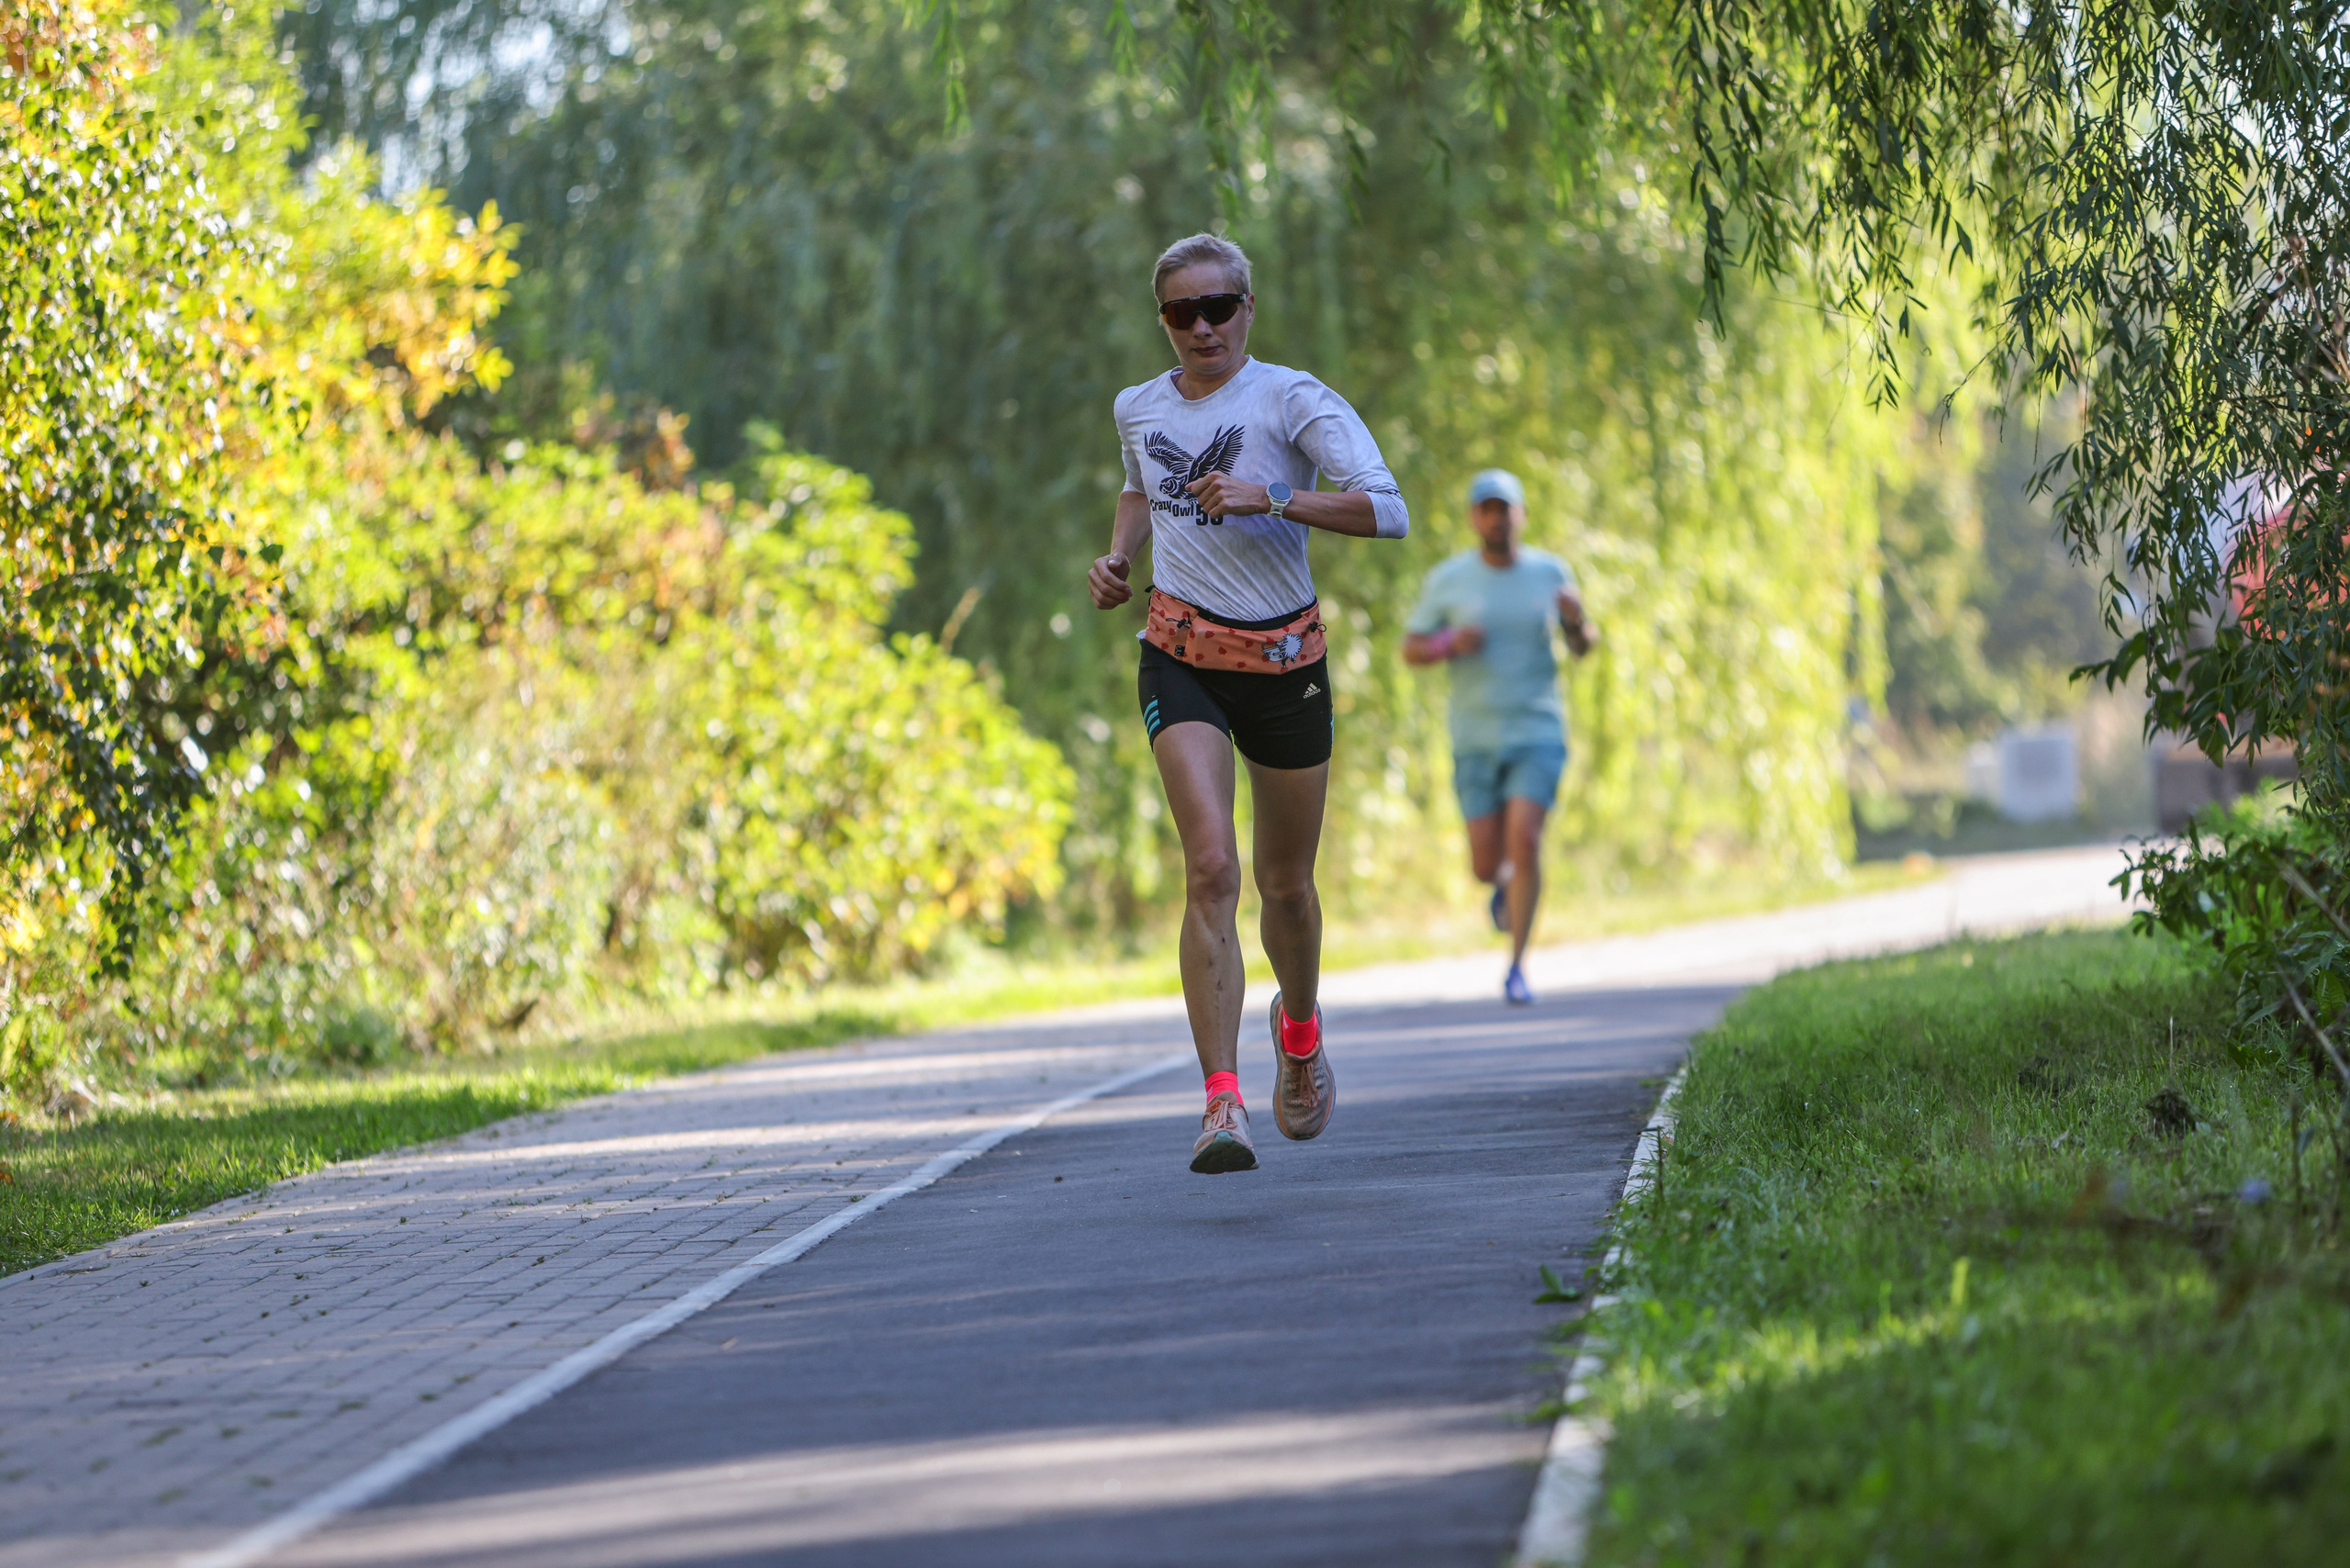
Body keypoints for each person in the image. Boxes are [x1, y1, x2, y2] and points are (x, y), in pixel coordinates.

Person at [1088, 233, 1410, 1173]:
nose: (1200, 328)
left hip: (1284, 659)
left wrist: (1273, 497)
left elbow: (1386, 508)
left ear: (1246, 308)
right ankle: (1220, 1103)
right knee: (1211, 868)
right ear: (1162, 321)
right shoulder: (1137, 406)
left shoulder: (1290, 398)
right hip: (1179, 652)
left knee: (1285, 887)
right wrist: (1119, 558)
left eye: (1216, 307)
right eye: (1180, 313)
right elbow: (1137, 487)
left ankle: (1300, 1032)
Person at [1402, 469, 1596, 1005]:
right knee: (1487, 864)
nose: (1497, 518)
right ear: (1473, 518)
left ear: (1521, 515)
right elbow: (1411, 648)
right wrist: (1448, 643)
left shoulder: (1550, 573)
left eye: (1505, 508)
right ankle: (1502, 889)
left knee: (1527, 839)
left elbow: (1583, 646)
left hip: (1538, 729)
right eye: (1486, 509)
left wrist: (1578, 623)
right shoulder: (1449, 580)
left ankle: (1517, 965)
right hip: (1475, 737)